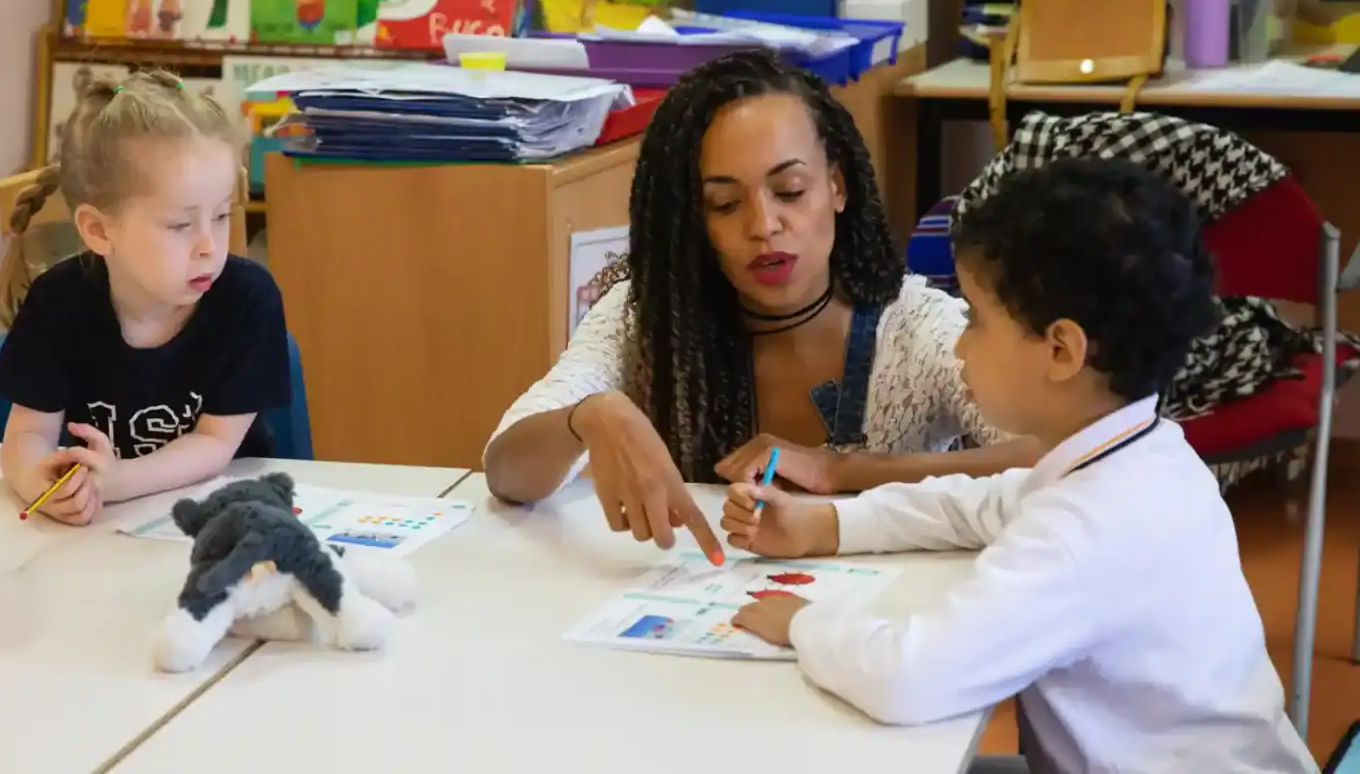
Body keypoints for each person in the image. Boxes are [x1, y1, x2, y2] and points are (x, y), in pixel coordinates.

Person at [721, 158, 1318, 773]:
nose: (959, 343)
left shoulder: (1084, 532)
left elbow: (910, 678)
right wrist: (827, 527)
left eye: (977, 320)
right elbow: (984, 504)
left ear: (1060, 349)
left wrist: (805, 624)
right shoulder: (1148, 451)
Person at [482, 50, 1039, 562]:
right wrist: (588, 417)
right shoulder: (646, 315)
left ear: (838, 187)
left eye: (791, 190)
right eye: (724, 204)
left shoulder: (915, 327)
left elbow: (1060, 457)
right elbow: (506, 470)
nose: (764, 227)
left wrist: (844, 469)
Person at [0, 69, 291, 527]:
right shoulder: (58, 301)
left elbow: (215, 443)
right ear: (98, 230)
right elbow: (28, 432)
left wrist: (118, 480)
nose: (210, 246)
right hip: (101, 540)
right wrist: (41, 482)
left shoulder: (248, 299)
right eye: (180, 225)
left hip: (222, 521)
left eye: (221, 216)